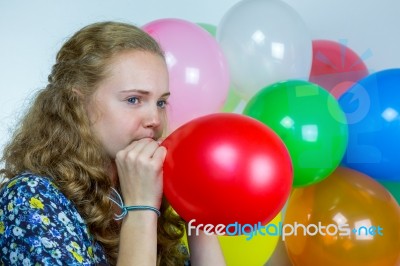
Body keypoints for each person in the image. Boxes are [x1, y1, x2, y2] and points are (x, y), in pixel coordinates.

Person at [0, 21, 226, 265]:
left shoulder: (140, 191)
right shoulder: (29, 198)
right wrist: (141, 209)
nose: (154, 119)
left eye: (161, 103)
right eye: (133, 99)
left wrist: (198, 216)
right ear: (77, 104)